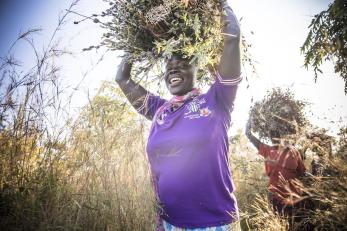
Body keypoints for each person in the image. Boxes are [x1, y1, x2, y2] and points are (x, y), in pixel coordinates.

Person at [115, 1, 242, 230]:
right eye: (168, 65)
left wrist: (218, 3)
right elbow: (122, 79)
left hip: (215, 224)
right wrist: (137, 39)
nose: (173, 68)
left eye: (182, 63)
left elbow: (232, 37)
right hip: (170, 223)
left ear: (197, 68)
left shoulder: (217, 100)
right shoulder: (159, 110)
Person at [245, 121, 306, 227]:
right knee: (278, 224)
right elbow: (250, 136)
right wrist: (248, 130)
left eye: (276, 133)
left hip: (294, 198)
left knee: (295, 225)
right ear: (269, 137)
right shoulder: (268, 150)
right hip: (276, 198)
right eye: (272, 134)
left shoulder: (294, 151)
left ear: (282, 135)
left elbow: (302, 173)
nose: (274, 136)